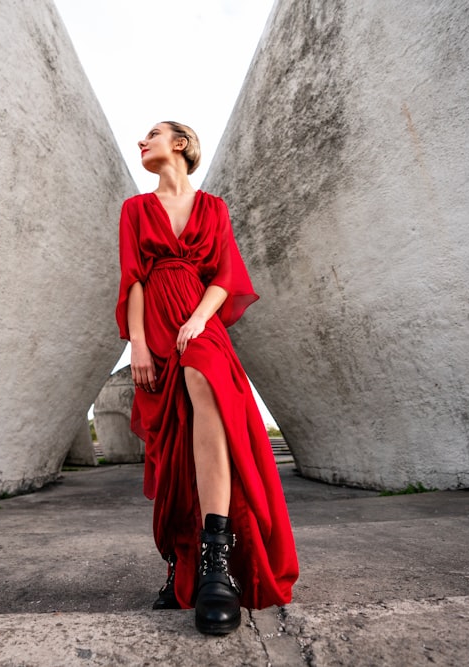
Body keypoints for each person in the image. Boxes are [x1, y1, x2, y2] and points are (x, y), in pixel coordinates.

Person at [115, 121, 299, 635]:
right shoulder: (134, 209)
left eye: (152, 133)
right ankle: (185, 564)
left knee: (206, 384)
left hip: (200, 320)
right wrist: (137, 345)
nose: (141, 141)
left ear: (181, 143)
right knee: (173, 446)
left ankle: (217, 560)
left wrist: (197, 319)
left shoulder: (214, 207)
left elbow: (225, 276)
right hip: (155, 323)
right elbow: (132, 278)